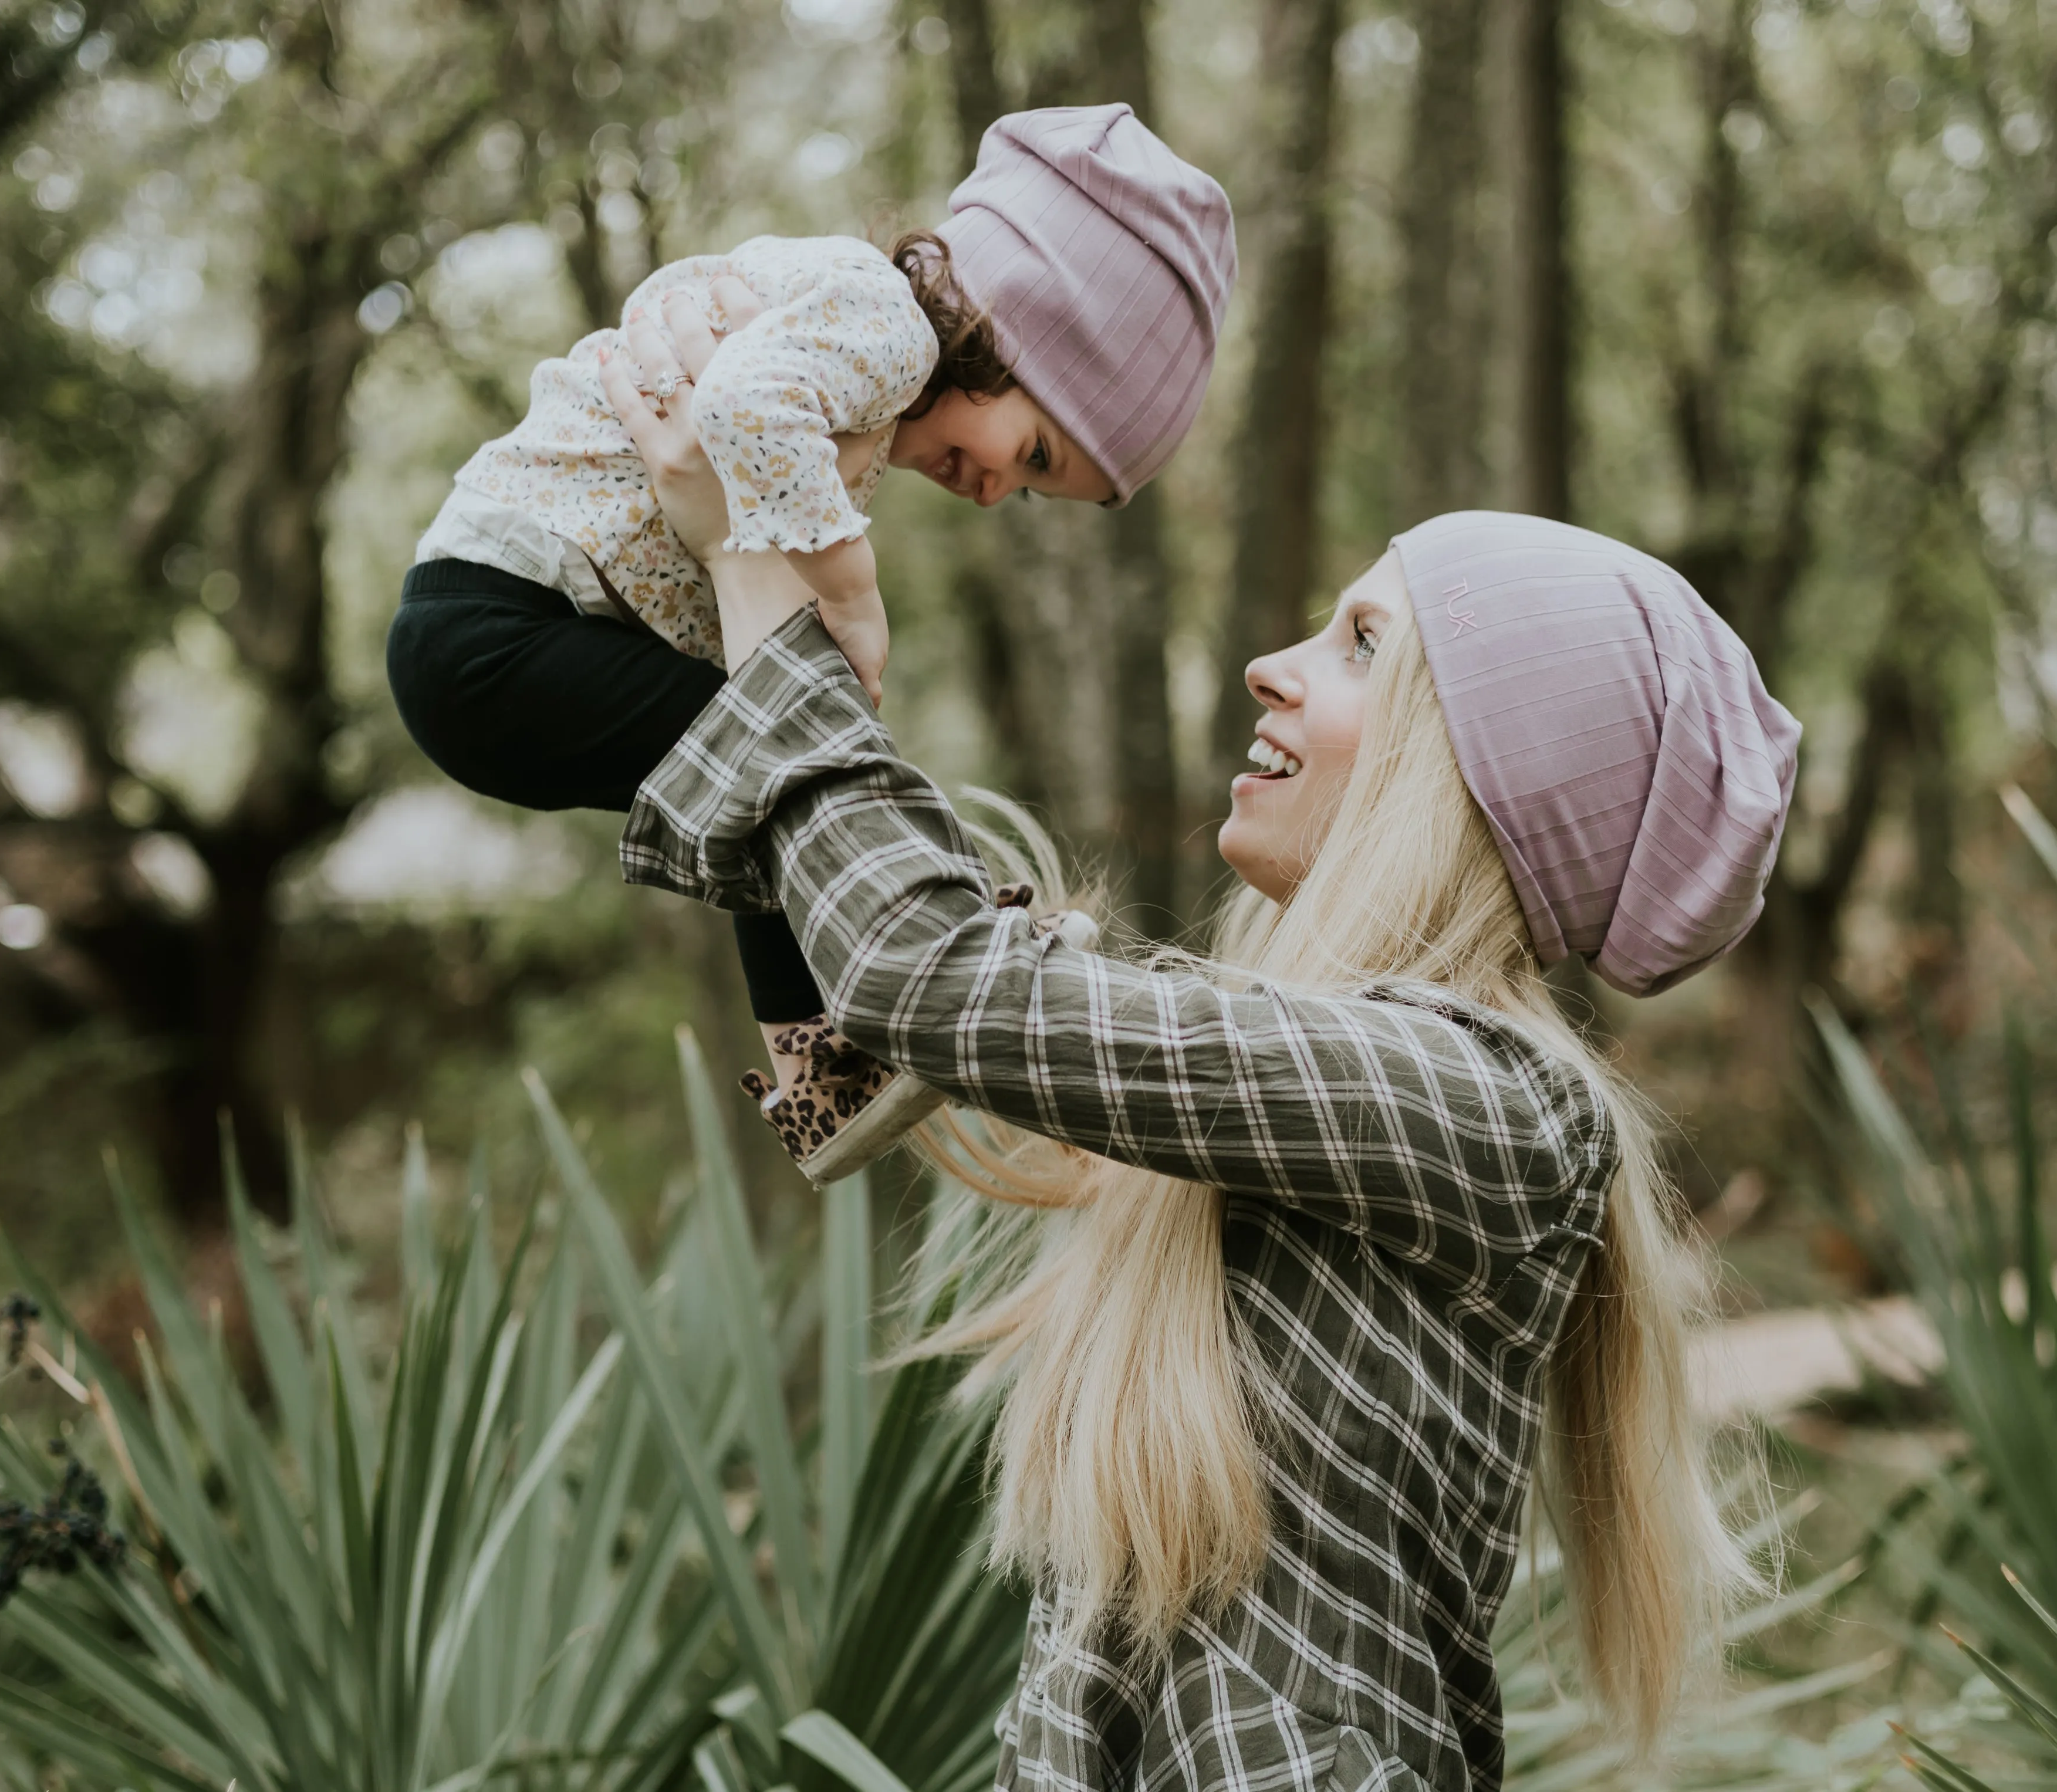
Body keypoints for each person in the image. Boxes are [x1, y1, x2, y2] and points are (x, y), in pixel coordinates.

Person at [603, 309, 1802, 1786]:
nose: (1269, 667)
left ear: (1478, 778)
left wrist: (760, 570)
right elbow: (845, 1087)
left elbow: (921, 971)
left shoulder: (1496, 1103)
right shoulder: (1275, 1069)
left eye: (1364, 645)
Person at [386, 103, 1235, 1180]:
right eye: (1030, 450)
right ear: (1006, 329)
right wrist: (851, 585)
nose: (994, 492)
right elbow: (740, 401)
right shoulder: (883, 321)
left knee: (770, 776)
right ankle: (941, 948)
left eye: (1031, 491)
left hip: (498, 636)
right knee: (781, 734)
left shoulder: (859, 378)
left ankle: (823, 1070)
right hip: (494, 621)